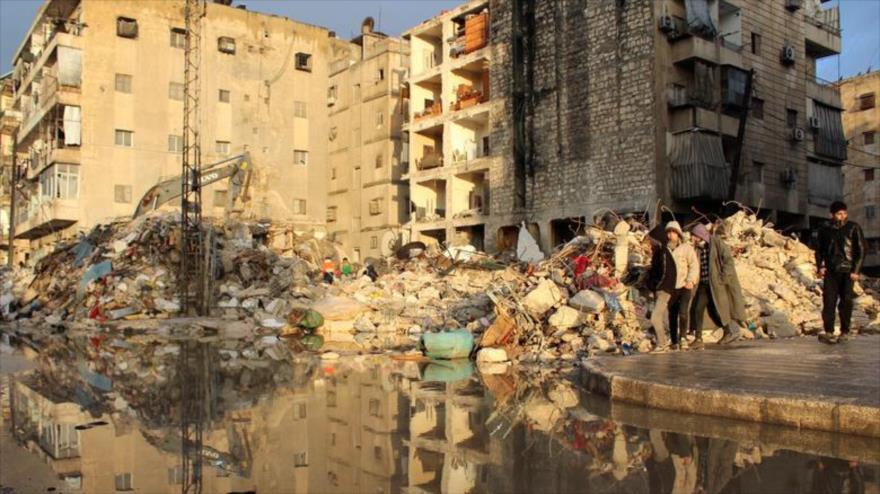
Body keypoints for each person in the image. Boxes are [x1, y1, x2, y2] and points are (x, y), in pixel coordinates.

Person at [689, 223, 748, 346]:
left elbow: (728, 261)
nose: (692, 238)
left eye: (694, 236)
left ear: (700, 235)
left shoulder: (717, 243)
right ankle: (698, 338)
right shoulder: (698, 249)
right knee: (698, 309)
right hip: (703, 284)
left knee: (717, 309)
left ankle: (729, 332)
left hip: (716, 284)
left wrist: (722, 278)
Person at [815, 201, 866, 342]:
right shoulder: (824, 229)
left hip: (848, 271)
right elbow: (819, 250)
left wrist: (856, 270)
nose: (842, 216)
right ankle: (829, 331)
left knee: (846, 302)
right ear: (832, 215)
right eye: (839, 213)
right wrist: (820, 266)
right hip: (831, 271)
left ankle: (845, 331)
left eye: (844, 213)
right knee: (829, 301)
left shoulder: (853, 227)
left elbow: (861, 250)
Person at [648, 221, 698, 351]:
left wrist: (690, 280)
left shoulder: (686, 248)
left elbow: (693, 264)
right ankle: (674, 340)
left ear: (678, 234)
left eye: (673, 232)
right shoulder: (665, 249)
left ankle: (683, 337)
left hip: (684, 284)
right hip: (671, 287)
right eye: (668, 232)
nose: (671, 235)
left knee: (683, 312)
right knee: (672, 313)